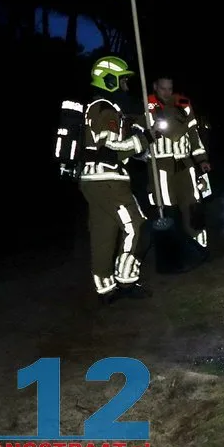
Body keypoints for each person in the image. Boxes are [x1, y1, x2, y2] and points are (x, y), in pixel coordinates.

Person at [79, 56, 159, 304]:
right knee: (137, 225)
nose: (126, 83)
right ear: (110, 79)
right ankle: (126, 280)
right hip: (109, 180)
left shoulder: (94, 107)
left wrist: (137, 127)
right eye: (123, 79)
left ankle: (105, 289)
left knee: (104, 231)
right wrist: (144, 137)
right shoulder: (106, 110)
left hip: (91, 180)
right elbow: (113, 148)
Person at [146, 76, 212, 271]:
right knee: (167, 212)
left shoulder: (184, 105)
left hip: (185, 165)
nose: (167, 92)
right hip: (162, 168)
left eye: (170, 88)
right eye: (163, 88)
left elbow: (194, 135)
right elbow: (141, 137)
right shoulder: (147, 106)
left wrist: (202, 160)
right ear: (155, 87)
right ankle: (172, 258)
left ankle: (200, 250)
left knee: (193, 209)